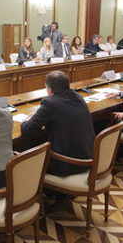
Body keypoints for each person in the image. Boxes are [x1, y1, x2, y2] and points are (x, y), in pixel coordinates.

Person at [21, 71, 95, 208]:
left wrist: (28, 119)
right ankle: (56, 193)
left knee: (28, 160)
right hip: (87, 156)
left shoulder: (50, 103)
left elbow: (26, 130)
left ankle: (39, 197)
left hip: (68, 164)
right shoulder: (78, 96)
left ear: (49, 90)